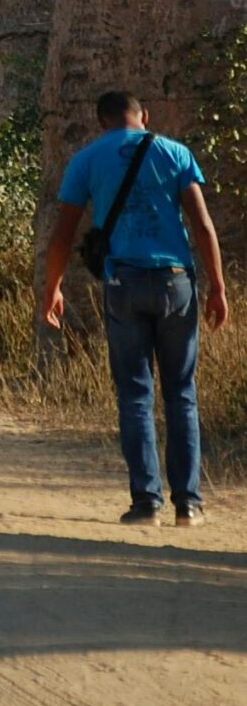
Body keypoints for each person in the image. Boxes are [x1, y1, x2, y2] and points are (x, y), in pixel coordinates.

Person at [42, 88, 230, 526]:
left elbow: (63, 234)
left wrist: (51, 288)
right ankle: (189, 504)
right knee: (181, 392)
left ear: (101, 122)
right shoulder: (176, 153)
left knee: (134, 393)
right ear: (143, 115)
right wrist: (218, 286)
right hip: (176, 283)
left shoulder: (87, 160)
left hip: (122, 283)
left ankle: (146, 504)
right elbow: (201, 225)